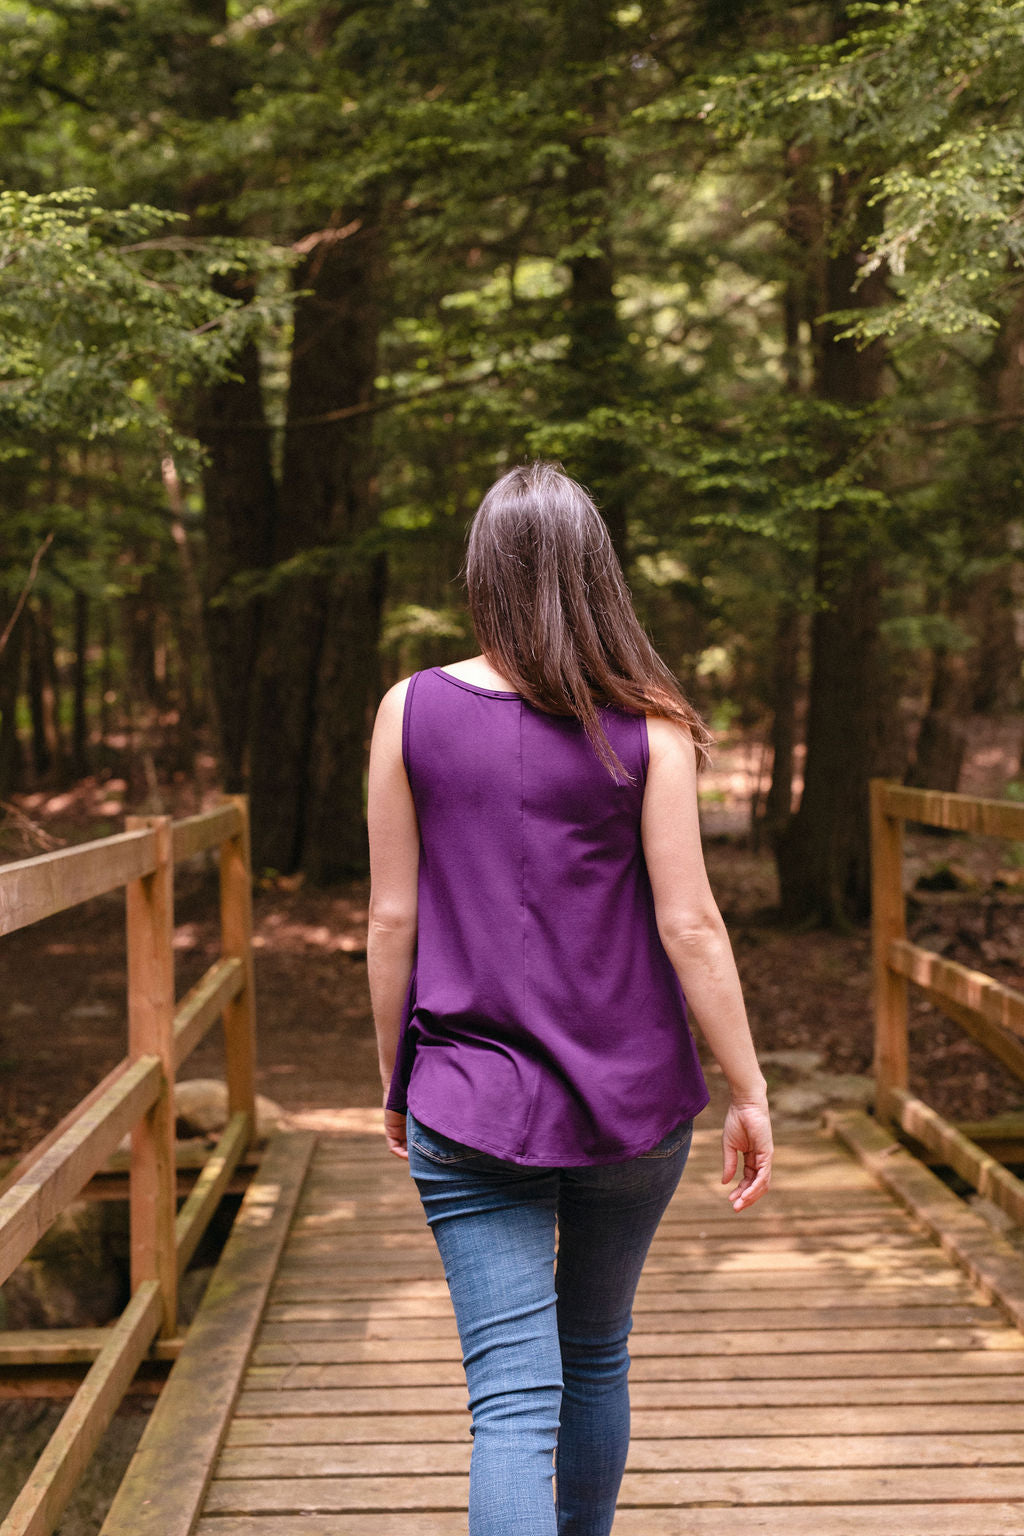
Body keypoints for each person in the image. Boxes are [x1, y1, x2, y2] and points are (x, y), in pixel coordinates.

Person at [366, 460, 773, 1536]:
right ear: (597, 574)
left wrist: (397, 1077)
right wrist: (748, 1089)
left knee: (510, 1402)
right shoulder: (652, 727)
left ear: (482, 573)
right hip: (631, 1102)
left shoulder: (410, 711)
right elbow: (691, 925)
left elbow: (392, 921)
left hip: (466, 1095)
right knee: (594, 1353)